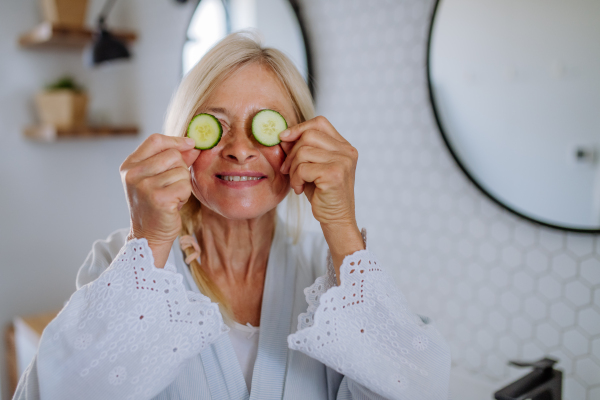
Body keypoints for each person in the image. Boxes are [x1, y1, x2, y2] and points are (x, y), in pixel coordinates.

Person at [13, 32, 451, 400]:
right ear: (182, 141)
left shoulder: (332, 272)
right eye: (213, 125)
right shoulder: (124, 262)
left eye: (266, 125)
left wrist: (342, 227)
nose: (240, 149)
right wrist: (148, 240)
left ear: (301, 143)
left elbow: (420, 388)